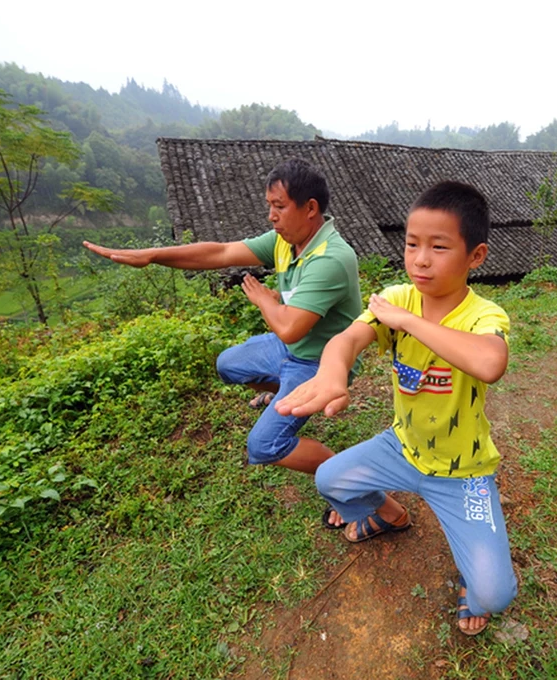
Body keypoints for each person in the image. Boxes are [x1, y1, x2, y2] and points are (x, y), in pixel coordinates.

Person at [83, 159, 391, 527]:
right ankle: (282, 395)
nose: (271, 216)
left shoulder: (331, 258)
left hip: (320, 364)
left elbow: (290, 328)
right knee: (228, 364)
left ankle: (362, 494)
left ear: (310, 209)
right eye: (269, 206)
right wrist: (153, 256)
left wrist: (265, 301)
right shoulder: (284, 241)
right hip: (289, 350)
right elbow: (221, 253)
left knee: (263, 447)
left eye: (279, 206)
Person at [276, 181, 517, 636]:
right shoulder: (397, 298)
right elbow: (349, 338)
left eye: (439, 247)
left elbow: (489, 363)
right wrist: (331, 371)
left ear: (476, 256)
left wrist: (408, 322)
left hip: (462, 469)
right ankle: (389, 514)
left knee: (494, 594)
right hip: (401, 447)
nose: (420, 259)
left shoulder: (484, 314)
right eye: (412, 244)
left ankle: (475, 583)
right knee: (330, 480)